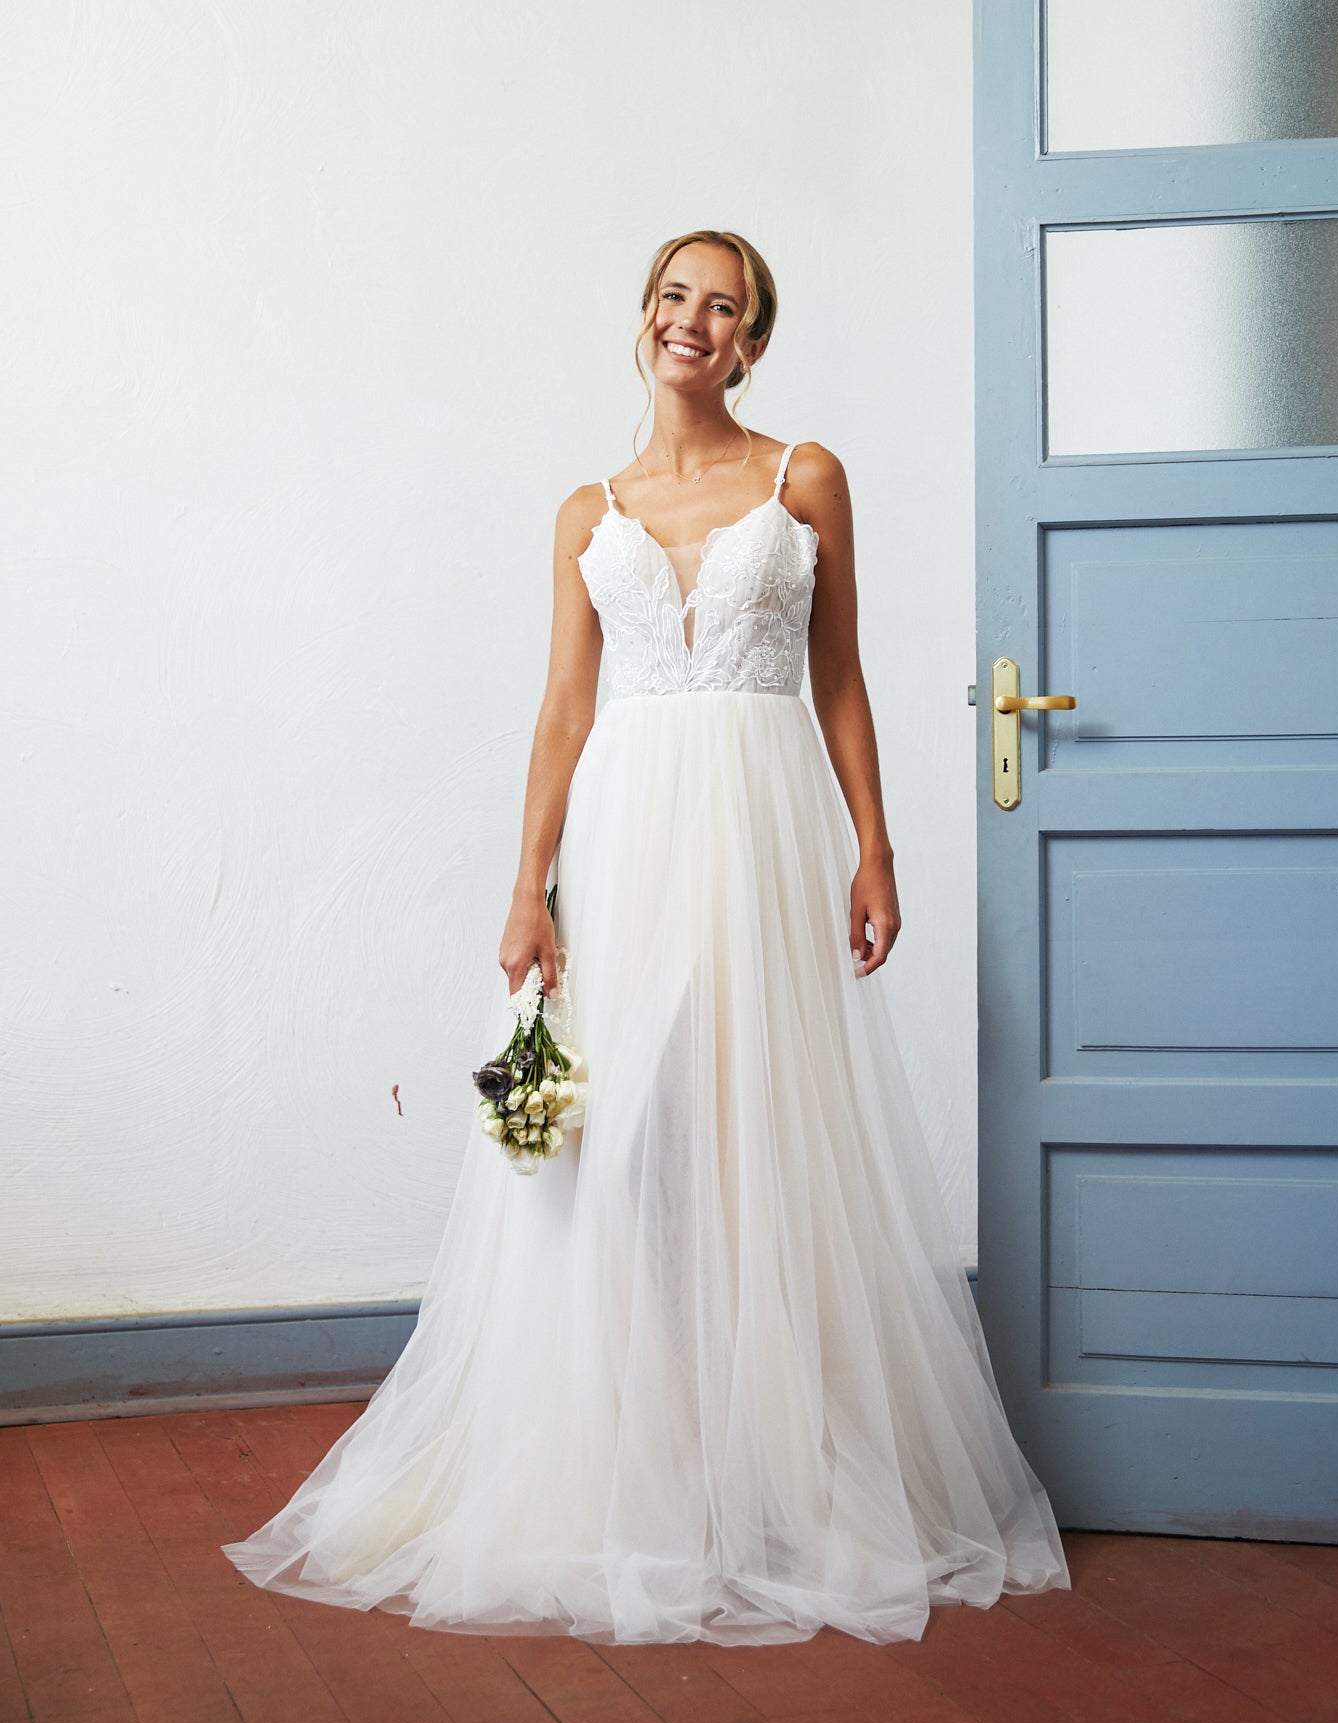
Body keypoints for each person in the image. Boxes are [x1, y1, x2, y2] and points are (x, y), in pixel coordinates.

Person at [221, 228, 1071, 1646]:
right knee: (611, 1155)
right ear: (645, 319)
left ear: (753, 342)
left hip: (760, 837)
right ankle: (640, 1468)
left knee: (758, 1141)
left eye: (723, 306)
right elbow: (566, 709)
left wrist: (875, 846)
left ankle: (775, 1475)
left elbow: (840, 680)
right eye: (676, 296)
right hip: (624, 843)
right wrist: (527, 886)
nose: (694, 320)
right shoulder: (587, 511)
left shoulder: (805, 478)